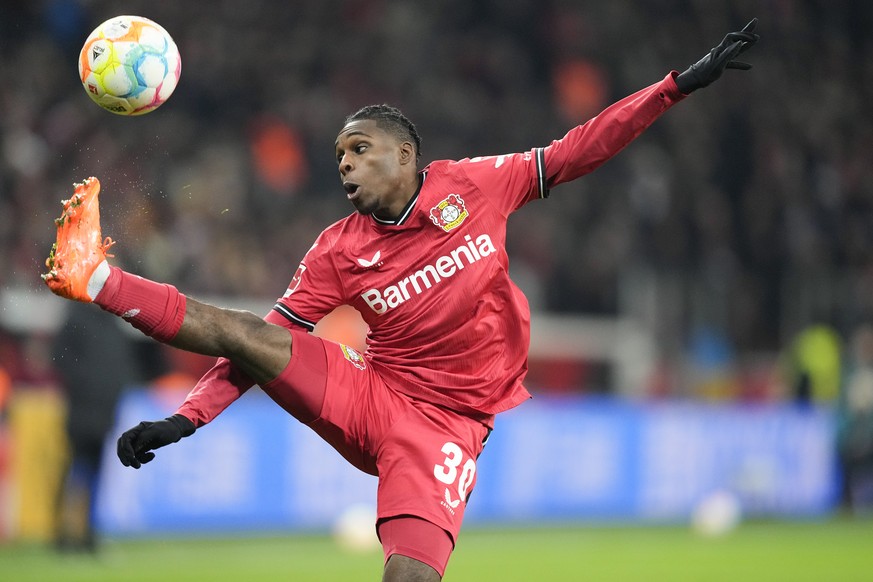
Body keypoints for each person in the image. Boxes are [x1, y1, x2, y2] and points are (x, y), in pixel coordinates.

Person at [42, 19, 758, 581]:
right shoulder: (336, 248)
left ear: (406, 154)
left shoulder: (475, 186)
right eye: (338, 157)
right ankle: (98, 277)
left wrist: (673, 87)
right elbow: (255, 348)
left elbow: (578, 148)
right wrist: (184, 420)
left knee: (410, 577)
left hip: (445, 427)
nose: (345, 165)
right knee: (252, 332)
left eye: (358, 149)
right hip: (371, 392)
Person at [51, 301, 144, 552]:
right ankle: (62, 533)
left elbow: (123, 367)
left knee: (95, 473)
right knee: (77, 468)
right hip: (82, 410)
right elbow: (60, 358)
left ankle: (88, 533)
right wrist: (86, 386)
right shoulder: (77, 319)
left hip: (104, 412)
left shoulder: (111, 322)